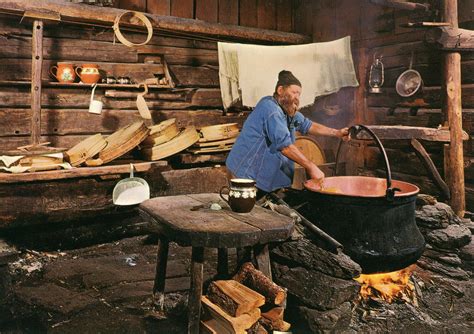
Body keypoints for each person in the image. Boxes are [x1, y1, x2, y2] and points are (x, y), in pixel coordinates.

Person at [226, 70, 350, 197]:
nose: (297, 98)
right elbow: (285, 146)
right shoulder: (270, 109)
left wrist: (336, 133)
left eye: (299, 94)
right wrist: (311, 166)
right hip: (245, 174)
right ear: (280, 90)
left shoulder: (288, 111)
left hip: (261, 176)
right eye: (294, 92)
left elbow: (308, 125)